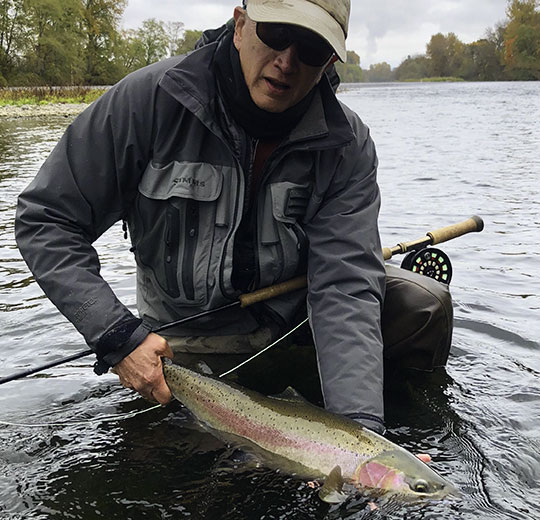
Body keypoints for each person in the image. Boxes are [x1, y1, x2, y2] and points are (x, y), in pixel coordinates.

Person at [15, 0, 452, 434]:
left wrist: (361, 435)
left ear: (330, 60)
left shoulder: (346, 143)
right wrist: (115, 335)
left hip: (294, 322)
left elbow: (345, 285)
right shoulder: (147, 102)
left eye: (311, 48)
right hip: (184, 341)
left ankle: (392, 428)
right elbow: (47, 220)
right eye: (276, 35)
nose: (286, 61)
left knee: (423, 306)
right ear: (241, 26)